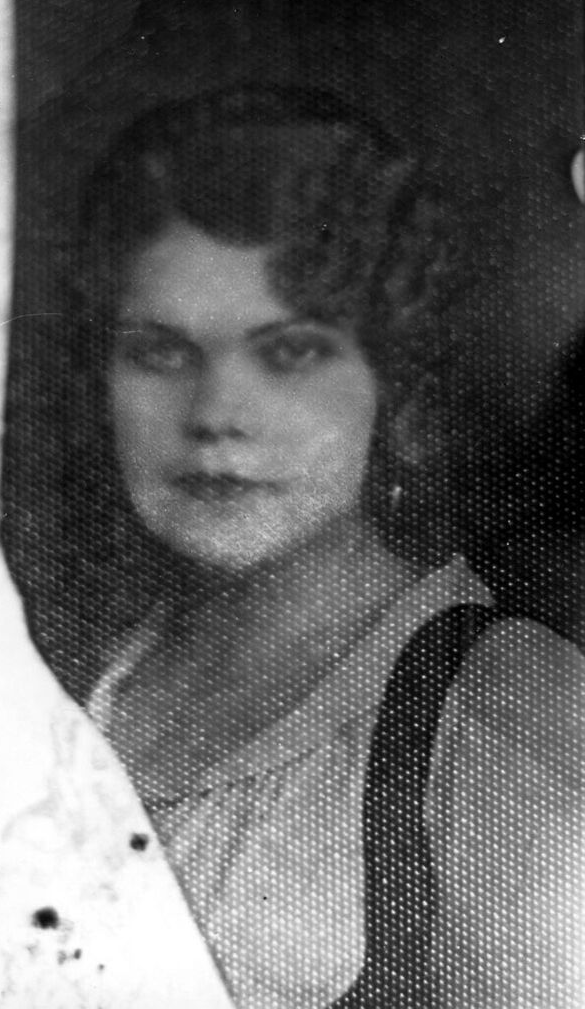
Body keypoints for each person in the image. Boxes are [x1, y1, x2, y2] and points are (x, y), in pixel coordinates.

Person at [54, 84, 583, 1009]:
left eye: (290, 352)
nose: (216, 415)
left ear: (396, 382)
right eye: (160, 352)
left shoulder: (499, 717)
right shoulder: (87, 682)